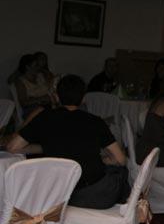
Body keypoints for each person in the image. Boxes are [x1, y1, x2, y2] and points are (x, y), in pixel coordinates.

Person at [7, 74, 130, 209]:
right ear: (83, 98)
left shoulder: (44, 117)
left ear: (57, 97)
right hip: (93, 196)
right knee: (120, 172)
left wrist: (46, 147)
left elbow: (13, 147)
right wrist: (103, 160)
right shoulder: (96, 121)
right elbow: (120, 159)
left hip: (56, 196)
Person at [11, 53, 55, 118]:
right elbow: (23, 102)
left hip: (47, 105)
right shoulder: (21, 81)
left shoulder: (41, 76)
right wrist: (41, 99)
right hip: (33, 109)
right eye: (36, 65)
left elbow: (52, 85)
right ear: (27, 67)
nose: (38, 67)